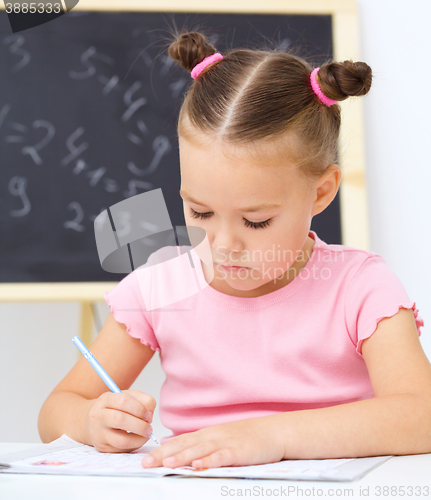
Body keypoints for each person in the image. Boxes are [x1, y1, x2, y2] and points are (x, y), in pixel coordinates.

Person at [38, 31, 431, 471]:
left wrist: (272, 435)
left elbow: (422, 416)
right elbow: (56, 411)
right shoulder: (158, 288)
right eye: (200, 211)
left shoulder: (360, 287)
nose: (223, 245)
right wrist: (93, 421)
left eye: (255, 221)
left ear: (321, 193)